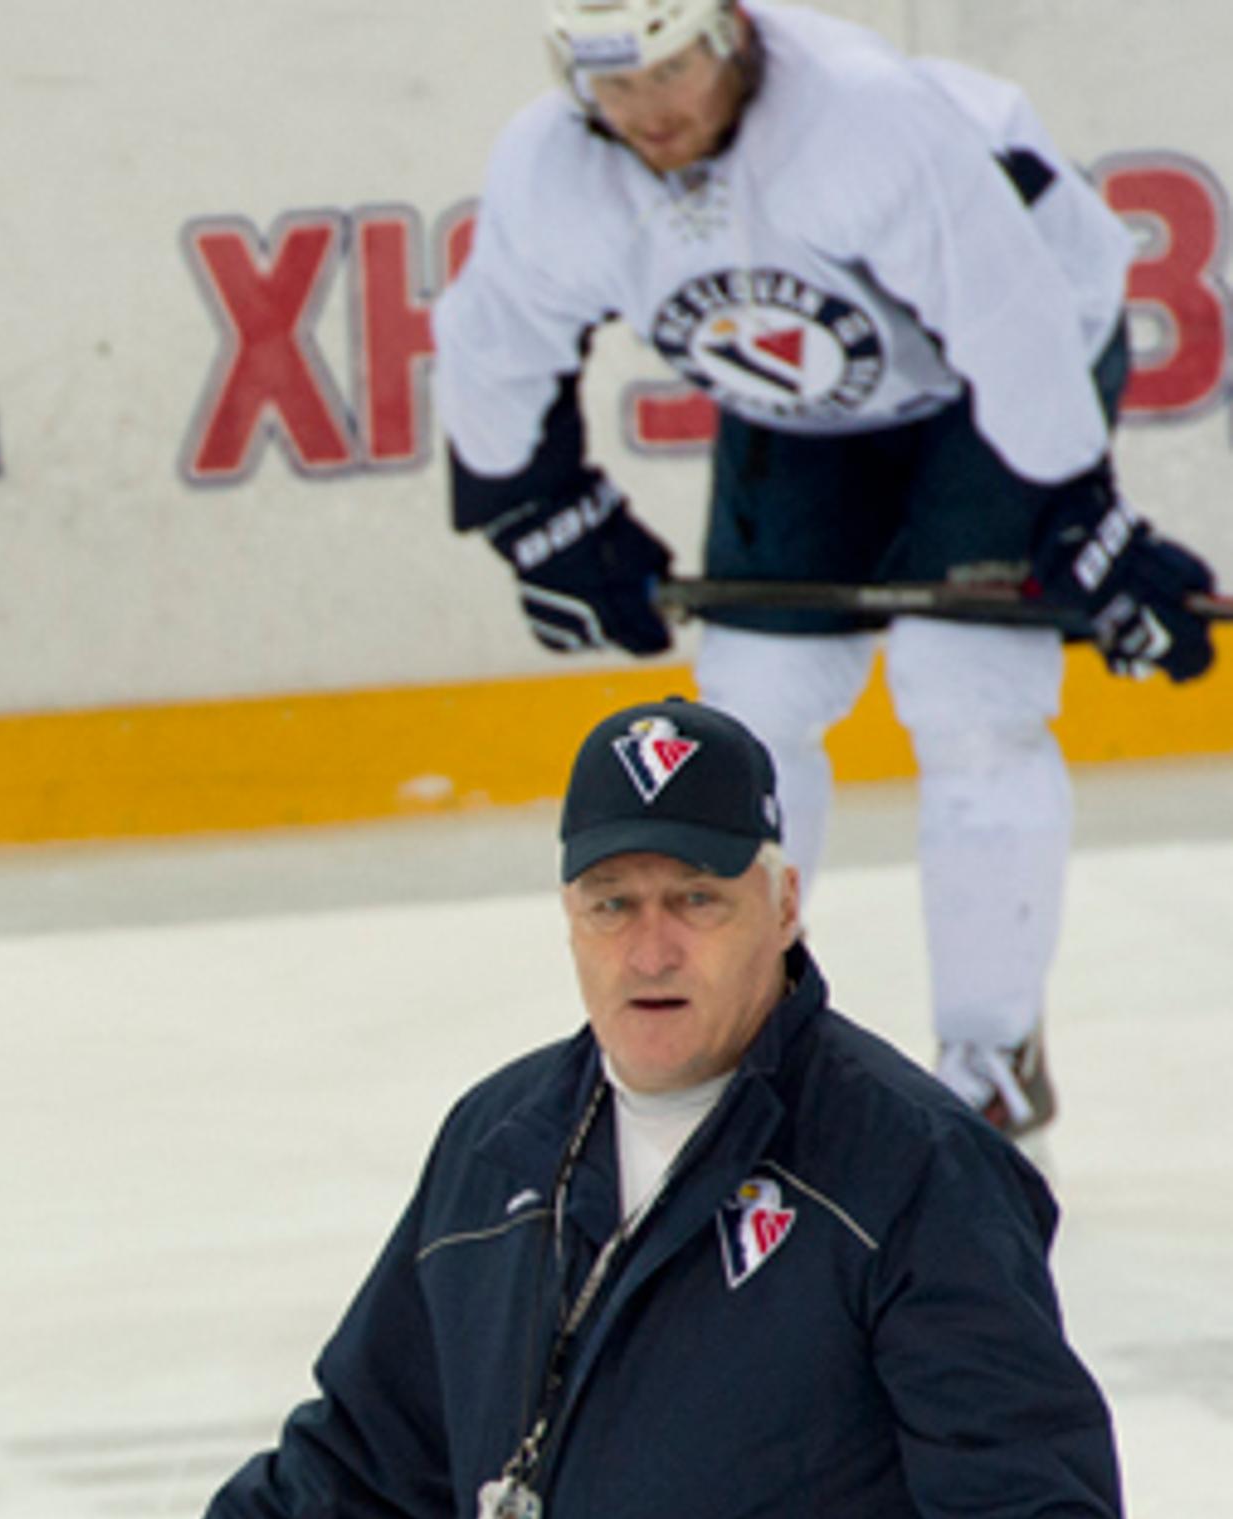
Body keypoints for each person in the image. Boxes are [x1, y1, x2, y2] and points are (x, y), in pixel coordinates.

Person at [0, 696, 1230, 1519]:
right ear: (568, 914)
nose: (651, 946)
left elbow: (1023, 1499)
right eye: (612, 901)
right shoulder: (500, 1146)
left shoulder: (909, 1172)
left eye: (697, 898)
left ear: (784, 903)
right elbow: (364, 1459)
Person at [430, 0, 1216, 1138]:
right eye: (613, 81)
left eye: (667, 70)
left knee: (970, 698)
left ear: (727, 32)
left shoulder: (860, 121)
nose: (645, 110)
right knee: (753, 707)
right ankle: (741, 1040)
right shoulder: (554, 168)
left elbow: (1012, 319)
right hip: (803, 403)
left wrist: (1078, 517)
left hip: (1006, 364)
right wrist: (541, 518)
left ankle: (990, 1056)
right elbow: (496, 344)